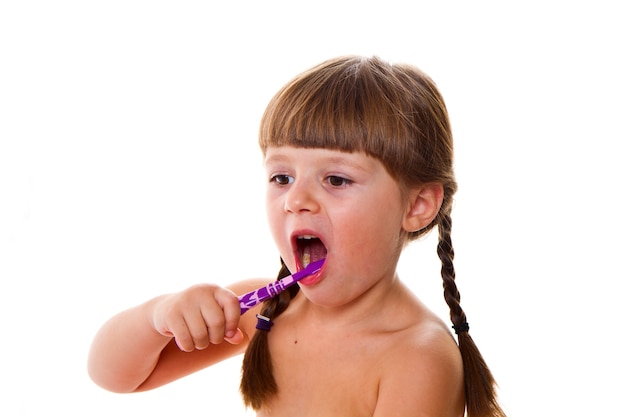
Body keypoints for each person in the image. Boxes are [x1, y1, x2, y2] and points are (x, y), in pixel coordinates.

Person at [88, 55, 506, 417]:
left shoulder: (417, 358)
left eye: (337, 179)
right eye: (282, 176)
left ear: (417, 206)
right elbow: (115, 376)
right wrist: (159, 316)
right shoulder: (264, 311)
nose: (296, 200)